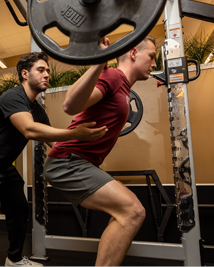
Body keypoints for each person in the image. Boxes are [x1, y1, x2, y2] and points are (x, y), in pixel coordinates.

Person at [0, 52, 107, 266]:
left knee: (20, 208)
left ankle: (13, 260)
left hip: (3, 166)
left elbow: (57, 145)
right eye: (41, 70)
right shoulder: (12, 97)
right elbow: (30, 131)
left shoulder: (37, 111)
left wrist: (87, 154)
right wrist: (74, 133)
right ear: (25, 74)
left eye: (48, 71)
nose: (47, 74)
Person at [44, 36, 157, 266]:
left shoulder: (122, 86)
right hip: (67, 161)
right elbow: (70, 106)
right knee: (133, 211)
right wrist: (99, 63)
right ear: (134, 53)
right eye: (152, 56)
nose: (155, 64)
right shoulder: (115, 76)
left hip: (78, 163)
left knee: (127, 213)